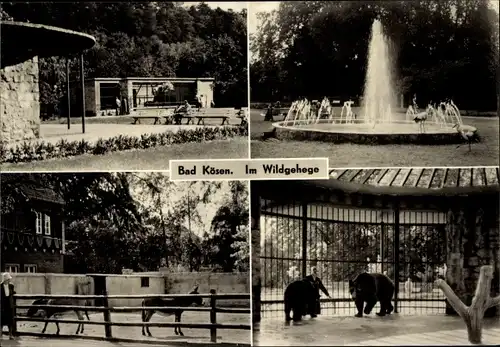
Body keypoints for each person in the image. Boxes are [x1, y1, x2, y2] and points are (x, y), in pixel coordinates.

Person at [1, 272, 16, 339]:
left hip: (9, 304)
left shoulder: (11, 286)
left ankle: (10, 335)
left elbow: (13, 292)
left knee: (10, 320)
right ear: (5, 280)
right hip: (2, 305)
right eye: (8, 279)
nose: (9, 280)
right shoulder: (0, 286)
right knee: (1, 320)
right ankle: (0, 334)